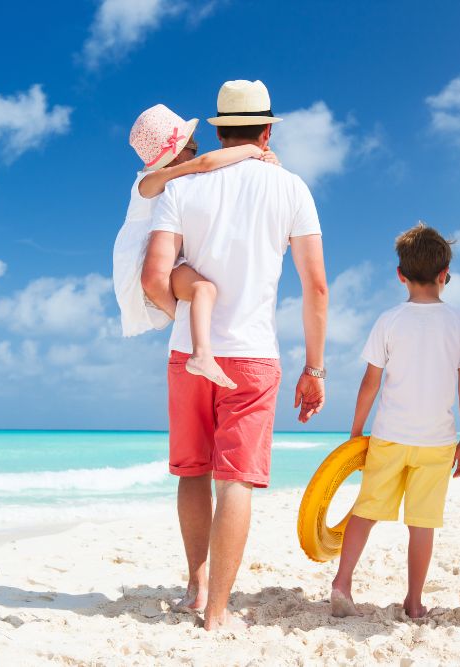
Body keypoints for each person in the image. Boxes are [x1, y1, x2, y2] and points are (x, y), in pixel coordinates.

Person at [140, 80, 328, 631]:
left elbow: (156, 278)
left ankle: (195, 588)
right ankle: (218, 613)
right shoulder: (291, 188)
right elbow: (315, 288)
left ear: (220, 132)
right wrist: (314, 368)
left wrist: (184, 321)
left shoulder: (180, 188)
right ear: (267, 132)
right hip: (251, 356)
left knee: (192, 473)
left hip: (187, 354)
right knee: (236, 482)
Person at [330, 223, 460, 620]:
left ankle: (342, 583)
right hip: (438, 441)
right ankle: (413, 601)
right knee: (422, 524)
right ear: (445, 275)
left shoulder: (389, 320)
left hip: (389, 436)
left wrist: (355, 433)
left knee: (366, 510)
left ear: (401, 275)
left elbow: (369, 384)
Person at [112, 103, 279, 388]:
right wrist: (254, 151)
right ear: (174, 152)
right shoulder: (146, 183)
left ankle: (200, 352)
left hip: (161, 255)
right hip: (141, 260)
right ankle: (200, 353)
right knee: (203, 290)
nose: (197, 151)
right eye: (193, 145)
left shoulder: (176, 181)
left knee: (202, 290)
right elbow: (205, 165)